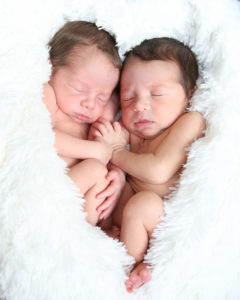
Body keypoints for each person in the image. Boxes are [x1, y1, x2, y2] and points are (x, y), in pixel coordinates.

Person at [92, 37, 206, 292]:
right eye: (128, 97)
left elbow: (157, 170)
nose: (140, 105)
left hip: (160, 224)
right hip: (125, 220)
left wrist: (118, 152)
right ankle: (111, 238)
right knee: (103, 178)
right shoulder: (133, 128)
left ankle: (127, 268)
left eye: (157, 94)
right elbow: (102, 125)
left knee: (144, 204)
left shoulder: (189, 122)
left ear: (190, 95)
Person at [42, 20, 125, 227]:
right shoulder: (47, 95)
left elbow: (108, 151)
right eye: (79, 89)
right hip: (43, 195)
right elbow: (38, 136)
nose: (89, 104)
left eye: (100, 98)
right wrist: (93, 150)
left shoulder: (97, 118)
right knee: (95, 170)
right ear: (51, 69)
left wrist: (119, 176)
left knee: (102, 176)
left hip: (72, 207)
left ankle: (89, 234)